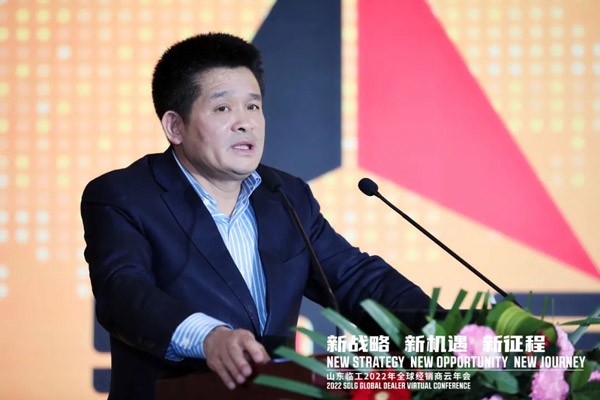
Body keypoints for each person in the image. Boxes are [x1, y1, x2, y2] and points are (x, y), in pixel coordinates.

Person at [81, 32, 431, 400]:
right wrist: (209, 337)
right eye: (223, 108)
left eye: (253, 106)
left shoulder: (285, 195)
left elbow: (355, 278)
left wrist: (446, 328)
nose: (246, 122)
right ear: (175, 126)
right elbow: (122, 293)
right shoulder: (125, 196)